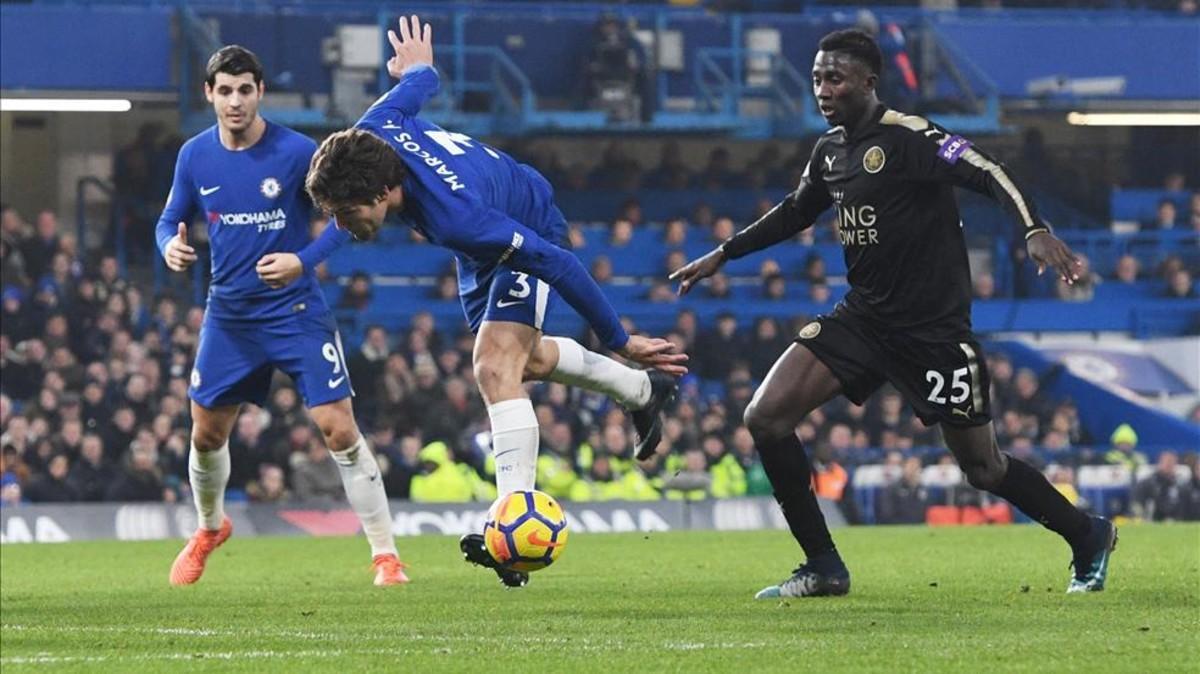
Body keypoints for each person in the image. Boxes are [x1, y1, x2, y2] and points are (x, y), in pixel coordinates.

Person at [672, 29, 1116, 599]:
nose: (822, 89)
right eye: (816, 78)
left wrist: (1033, 228)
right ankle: (824, 566)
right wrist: (724, 254)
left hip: (933, 333)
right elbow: (794, 212)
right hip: (864, 320)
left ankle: (1088, 534)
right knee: (766, 417)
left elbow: (987, 168)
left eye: (834, 78)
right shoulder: (829, 152)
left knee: (983, 469)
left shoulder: (912, 136)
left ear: (867, 81)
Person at [304, 16, 686, 589]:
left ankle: (511, 530)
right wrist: (415, 66)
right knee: (523, 363)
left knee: (494, 365)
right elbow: (423, 82)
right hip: (483, 229)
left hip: (523, 220)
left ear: (382, 193)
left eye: (345, 213)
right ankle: (641, 391)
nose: (341, 226)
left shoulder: (460, 220)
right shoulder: (372, 128)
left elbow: (557, 263)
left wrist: (620, 339)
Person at [155, 45, 407, 587]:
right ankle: (208, 528)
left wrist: (302, 260)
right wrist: (166, 247)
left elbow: (347, 216)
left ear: (260, 91)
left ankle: (386, 556)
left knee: (337, 428)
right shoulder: (194, 156)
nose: (235, 100)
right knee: (205, 434)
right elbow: (170, 218)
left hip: (294, 311)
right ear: (209, 94)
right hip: (230, 315)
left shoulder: (297, 152)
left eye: (245, 89)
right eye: (225, 90)